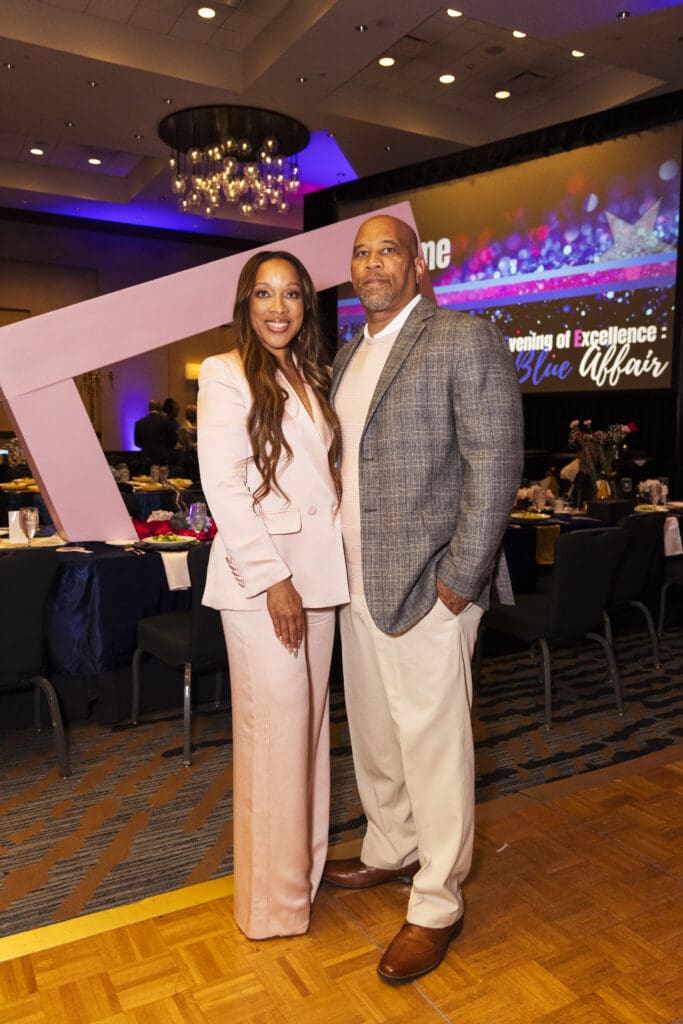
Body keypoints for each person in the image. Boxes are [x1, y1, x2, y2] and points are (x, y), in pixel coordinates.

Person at [324, 215, 523, 981]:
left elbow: (494, 462)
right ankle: (390, 847)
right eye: (361, 253)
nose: (372, 264)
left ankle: (437, 899)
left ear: (415, 264)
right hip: (352, 583)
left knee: (433, 746)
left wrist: (458, 580)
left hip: (429, 586)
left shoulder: (460, 337)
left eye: (387, 251)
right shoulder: (347, 353)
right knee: (374, 735)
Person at [197, 251, 349, 940]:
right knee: (273, 745)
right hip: (267, 586)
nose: (277, 307)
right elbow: (224, 487)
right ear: (245, 302)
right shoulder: (227, 374)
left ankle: (300, 885)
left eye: (290, 294)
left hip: (319, 579)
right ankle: (268, 909)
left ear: (305, 305)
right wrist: (275, 579)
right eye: (264, 293)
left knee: (308, 739)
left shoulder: (309, 374)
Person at [133, 399, 177, 467]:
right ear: (159, 408)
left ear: (149, 408)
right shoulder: (166, 421)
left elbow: (137, 443)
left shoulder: (139, 423)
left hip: (145, 459)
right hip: (163, 459)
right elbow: (173, 439)